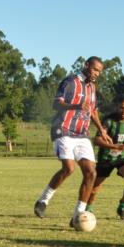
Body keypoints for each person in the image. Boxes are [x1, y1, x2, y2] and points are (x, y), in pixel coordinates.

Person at [33, 56, 110, 227]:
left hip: (81, 133)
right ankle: (43, 201)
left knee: (91, 173)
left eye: (99, 71)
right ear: (86, 65)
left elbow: (93, 111)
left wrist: (102, 130)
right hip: (62, 129)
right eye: (95, 69)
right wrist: (75, 106)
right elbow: (56, 104)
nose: (97, 74)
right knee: (69, 168)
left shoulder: (92, 87)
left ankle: (77, 216)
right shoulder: (70, 81)